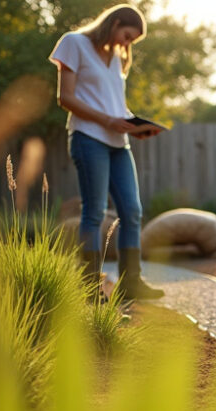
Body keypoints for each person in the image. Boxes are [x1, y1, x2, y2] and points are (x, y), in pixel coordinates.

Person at [50, 3, 164, 301]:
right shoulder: (74, 43)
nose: (127, 45)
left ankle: (131, 282)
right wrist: (107, 121)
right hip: (89, 139)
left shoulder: (115, 58)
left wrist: (135, 125)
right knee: (95, 212)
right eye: (127, 36)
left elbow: (115, 105)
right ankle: (90, 288)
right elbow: (65, 98)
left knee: (132, 211)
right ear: (114, 23)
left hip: (118, 144)